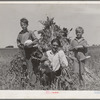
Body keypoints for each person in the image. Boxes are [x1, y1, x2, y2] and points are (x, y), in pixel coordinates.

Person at [17, 18, 38, 85]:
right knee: (24, 66)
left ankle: (33, 83)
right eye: (21, 25)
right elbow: (18, 42)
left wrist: (30, 44)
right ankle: (25, 82)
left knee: (30, 66)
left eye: (24, 25)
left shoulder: (30, 32)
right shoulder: (20, 34)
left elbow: (36, 40)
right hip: (23, 51)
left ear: (27, 25)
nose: (22, 26)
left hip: (30, 51)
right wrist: (19, 45)